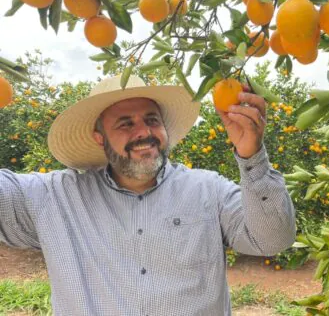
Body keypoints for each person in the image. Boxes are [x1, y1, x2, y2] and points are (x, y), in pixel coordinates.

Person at [0, 75, 296, 315]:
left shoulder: (208, 190)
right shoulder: (56, 198)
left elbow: (272, 239)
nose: (144, 132)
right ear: (99, 138)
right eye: (125, 123)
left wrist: (252, 155)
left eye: (152, 120)